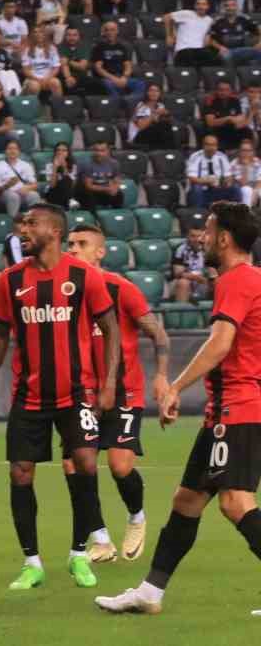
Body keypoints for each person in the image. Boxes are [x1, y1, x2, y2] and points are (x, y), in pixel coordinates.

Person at [96, 202, 261, 617]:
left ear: (224, 238)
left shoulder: (237, 280)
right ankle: (151, 592)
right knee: (187, 500)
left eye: (207, 230)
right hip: (229, 409)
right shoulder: (251, 279)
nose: (202, 238)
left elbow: (221, 343)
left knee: (235, 502)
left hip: (238, 409)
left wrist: (174, 387)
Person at [0, 205, 121, 589]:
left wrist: (107, 385)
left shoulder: (83, 275)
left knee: (86, 464)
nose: (23, 230)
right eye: (22, 224)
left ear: (54, 231)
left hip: (77, 393)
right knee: (20, 473)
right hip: (30, 396)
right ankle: (32, 562)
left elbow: (110, 327)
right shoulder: (11, 280)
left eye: (31, 224)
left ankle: (78, 555)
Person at [61, 225, 171, 565]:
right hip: (82, 394)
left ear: (100, 252)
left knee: (120, 466)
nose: (74, 250)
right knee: (74, 464)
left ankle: (136, 517)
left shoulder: (120, 289)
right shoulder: (65, 292)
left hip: (125, 391)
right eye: (71, 244)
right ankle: (101, 539)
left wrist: (162, 377)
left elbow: (158, 334)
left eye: (82, 244)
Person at [187, 134, 243, 209]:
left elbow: (229, 176)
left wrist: (224, 182)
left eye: (213, 145)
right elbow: (192, 178)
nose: (211, 148)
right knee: (197, 189)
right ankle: (199, 214)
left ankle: (238, 212)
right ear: (203, 145)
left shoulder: (221, 156)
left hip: (219, 188)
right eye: (208, 145)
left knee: (235, 187)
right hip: (204, 190)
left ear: (217, 146)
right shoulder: (195, 157)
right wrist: (207, 181)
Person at [166, 0, 220, 67]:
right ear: (194, 6)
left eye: (203, 4)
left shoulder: (210, 20)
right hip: (183, 50)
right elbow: (166, 17)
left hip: (200, 51)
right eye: (198, 4)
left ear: (208, 6)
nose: (201, 7)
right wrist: (169, 35)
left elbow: (208, 38)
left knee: (218, 60)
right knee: (190, 56)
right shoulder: (187, 14)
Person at [76, 140, 127, 210]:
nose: (99, 153)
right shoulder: (87, 164)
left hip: (104, 190)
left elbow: (117, 180)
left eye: (102, 151)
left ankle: (116, 215)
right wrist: (107, 189)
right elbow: (89, 186)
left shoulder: (114, 164)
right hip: (89, 192)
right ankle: (92, 216)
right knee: (88, 194)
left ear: (108, 151)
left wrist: (115, 188)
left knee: (119, 194)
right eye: (96, 150)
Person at [170, 227, 212, 304]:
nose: (196, 239)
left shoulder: (210, 249)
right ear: (187, 237)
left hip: (204, 281)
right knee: (183, 283)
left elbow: (214, 271)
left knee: (219, 283)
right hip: (185, 281)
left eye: (199, 236)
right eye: (193, 236)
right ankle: (181, 313)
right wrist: (197, 278)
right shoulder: (181, 249)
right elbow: (178, 273)